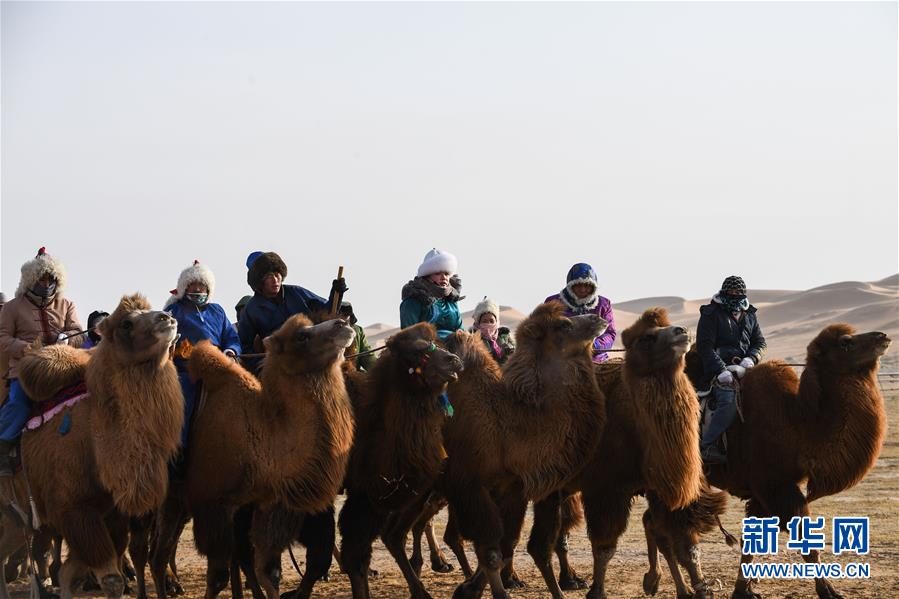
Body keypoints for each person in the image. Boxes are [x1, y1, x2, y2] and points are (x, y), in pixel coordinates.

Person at [0, 248, 84, 480]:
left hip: (61, 367)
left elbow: (79, 333)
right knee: (19, 403)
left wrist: (66, 338)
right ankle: (3, 447)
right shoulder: (12, 307)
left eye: (51, 279)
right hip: (25, 370)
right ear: (31, 279)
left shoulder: (67, 304)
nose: (47, 283)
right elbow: (2, 338)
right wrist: (25, 348)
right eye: (42, 278)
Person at [165, 260, 241, 449]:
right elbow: (164, 336)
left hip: (218, 365)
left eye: (202, 285)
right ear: (185, 287)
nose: (198, 289)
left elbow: (231, 337)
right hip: (186, 368)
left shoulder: (218, 311)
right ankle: (178, 449)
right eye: (194, 284)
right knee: (183, 400)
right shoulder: (174, 310)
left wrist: (231, 351)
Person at [696, 275, 767, 464]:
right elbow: (705, 347)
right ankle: (708, 446)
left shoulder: (750, 314)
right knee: (728, 400)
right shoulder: (711, 313)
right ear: (724, 292)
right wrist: (720, 370)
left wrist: (752, 358)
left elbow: (760, 342)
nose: (736, 295)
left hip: (745, 368)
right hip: (718, 369)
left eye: (739, 292)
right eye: (732, 292)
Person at [238, 251, 347, 368]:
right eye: (269, 276)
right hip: (281, 363)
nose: (275, 280)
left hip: (313, 352)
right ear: (259, 280)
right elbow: (245, 347)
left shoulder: (297, 292)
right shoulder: (251, 310)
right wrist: (261, 366)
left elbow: (328, 311)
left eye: (276, 273)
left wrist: (337, 292)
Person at [544, 262, 617, 363]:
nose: (583, 290)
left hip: (596, 360)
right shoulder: (552, 303)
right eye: (578, 285)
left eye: (587, 285)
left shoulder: (603, 304)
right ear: (570, 286)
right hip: (560, 360)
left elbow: (610, 333)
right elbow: (545, 331)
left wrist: (594, 346)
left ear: (593, 286)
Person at [400, 249, 463, 339]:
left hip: (455, 348)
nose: (444, 277)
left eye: (446, 273)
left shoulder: (451, 302)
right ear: (427, 276)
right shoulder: (413, 301)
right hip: (426, 349)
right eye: (437, 273)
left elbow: (460, 330)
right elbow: (409, 336)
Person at [469, 297, 515, 365]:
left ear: (496, 321)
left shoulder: (506, 336)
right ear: (478, 323)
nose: (489, 324)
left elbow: (518, 357)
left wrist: (509, 353)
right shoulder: (472, 339)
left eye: (491, 321)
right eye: (484, 321)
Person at [338, 302, 376, 371]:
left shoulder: (358, 331)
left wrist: (380, 370)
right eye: (339, 313)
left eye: (345, 314)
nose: (342, 316)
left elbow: (367, 356)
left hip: (352, 374)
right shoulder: (326, 331)